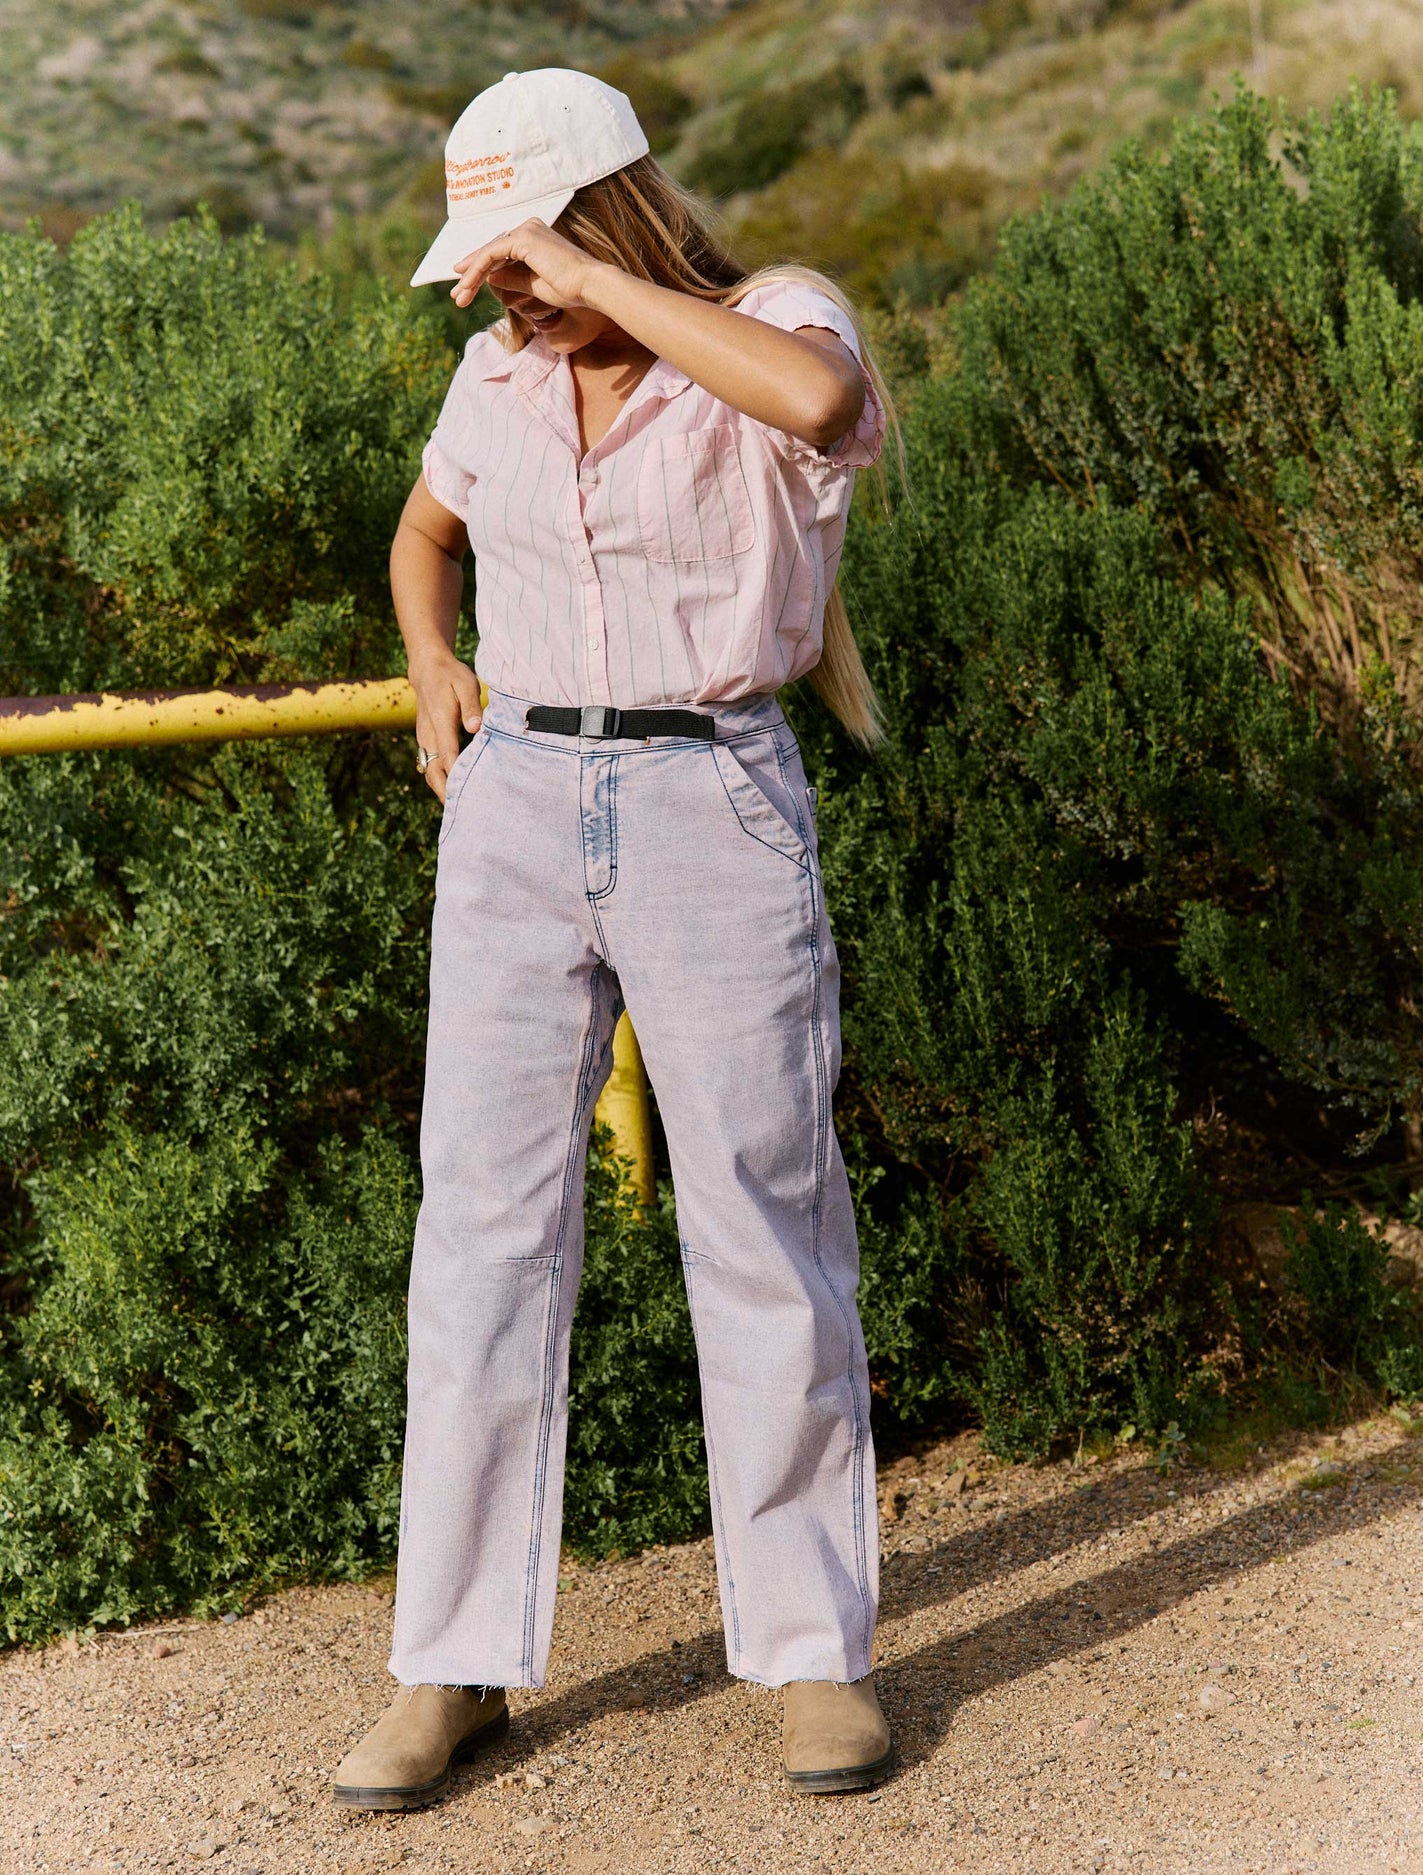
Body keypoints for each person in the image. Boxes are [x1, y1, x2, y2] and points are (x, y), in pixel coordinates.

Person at [332, 65, 903, 1810]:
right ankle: (454, 1663)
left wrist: (605, 284)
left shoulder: (771, 319)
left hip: (707, 795)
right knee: (481, 1237)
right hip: (514, 808)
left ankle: (813, 1657)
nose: (495, 293)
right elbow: (425, 536)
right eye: (487, 268)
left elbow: (818, 399)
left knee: (759, 1215)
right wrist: (433, 655)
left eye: (513, 255)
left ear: (598, 213)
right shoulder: (492, 374)